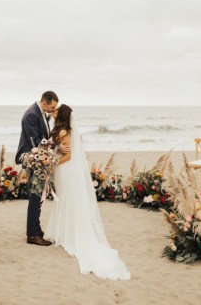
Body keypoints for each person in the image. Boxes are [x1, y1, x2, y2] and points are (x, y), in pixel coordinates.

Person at [45, 104, 131, 280]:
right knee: (64, 199)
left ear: (61, 115)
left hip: (65, 169)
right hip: (63, 170)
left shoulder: (63, 133)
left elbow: (68, 156)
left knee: (66, 199)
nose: (53, 112)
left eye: (56, 110)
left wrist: (53, 163)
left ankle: (67, 233)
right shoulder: (60, 130)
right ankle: (64, 231)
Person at [15, 91, 69, 246]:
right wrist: (57, 146)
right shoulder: (31, 115)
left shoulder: (40, 112)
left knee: (38, 195)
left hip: (39, 159)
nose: (53, 110)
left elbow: (43, 138)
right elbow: (36, 142)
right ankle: (32, 234)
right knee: (35, 195)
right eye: (51, 107)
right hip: (33, 159)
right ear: (44, 102)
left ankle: (36, 230)